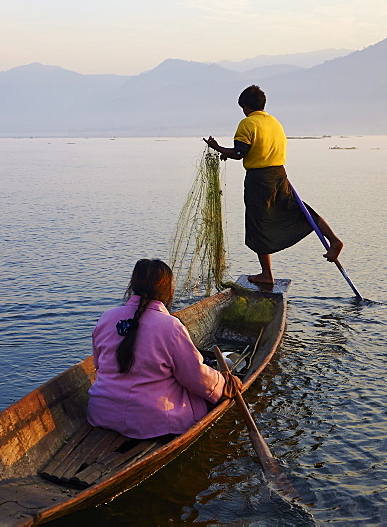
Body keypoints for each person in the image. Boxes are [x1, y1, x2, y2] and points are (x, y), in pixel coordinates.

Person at [87, 258, 242, 439]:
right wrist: (224, 384)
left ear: (132, 285)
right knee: (202, 395)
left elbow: (98, 365)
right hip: (150, 423)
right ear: (168, 290)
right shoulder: (171, 327)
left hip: (101, 413)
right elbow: (195, 377)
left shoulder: (107, 317)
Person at [205, 85, 343, 286]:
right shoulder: (274, 122)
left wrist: (217, 147)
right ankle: (334, 240)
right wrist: (228, 152)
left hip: (260, 180)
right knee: (301, 210)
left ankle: (266, 274)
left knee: (258, 222)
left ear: (245, 106)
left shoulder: (247, 123)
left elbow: (239, 152)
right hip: (279, 175)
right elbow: (256, 149)